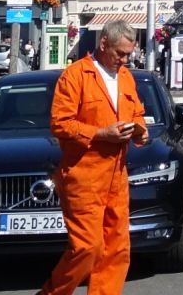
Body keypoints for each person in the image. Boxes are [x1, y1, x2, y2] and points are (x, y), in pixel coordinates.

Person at [38, 20, 148, 295]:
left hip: (116, 176)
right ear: (103, 44)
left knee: (117, 249)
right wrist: (101, 134)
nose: (124, 60)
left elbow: (136, 112)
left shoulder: (125, 77)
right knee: (87, 247)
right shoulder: (76, 75)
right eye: (120, 54)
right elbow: (60, 124)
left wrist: (140, 131)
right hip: (83, 176)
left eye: (128, 55)